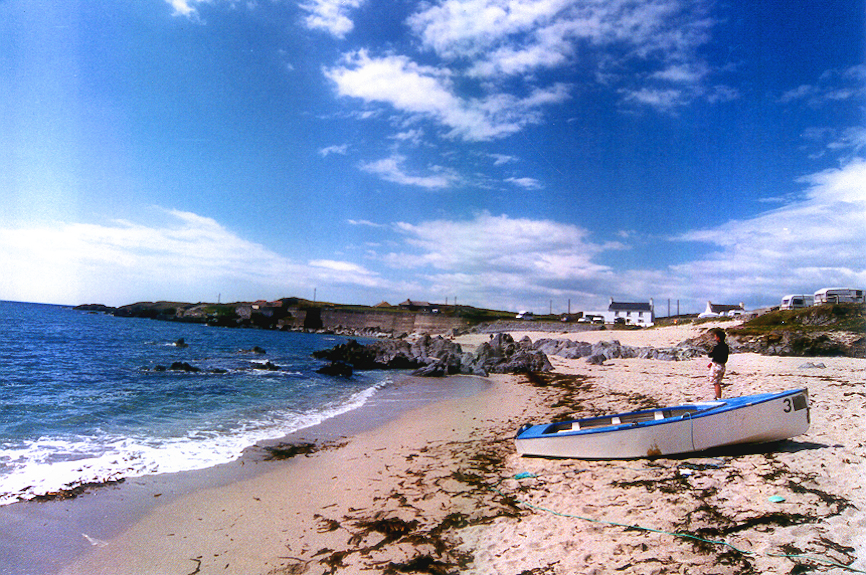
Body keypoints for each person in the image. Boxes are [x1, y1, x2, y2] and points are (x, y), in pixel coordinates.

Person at [707, 328, 729, 399]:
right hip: (722, 365)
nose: (715, 338)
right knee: (718, 381)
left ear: (718, 338)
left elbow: (711, 355)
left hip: (717, 365)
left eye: (715, 337)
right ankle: (717, 396)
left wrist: (711, 353)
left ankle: (719, 398)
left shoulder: (717, 347)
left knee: (716, 383)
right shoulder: (726, 346)